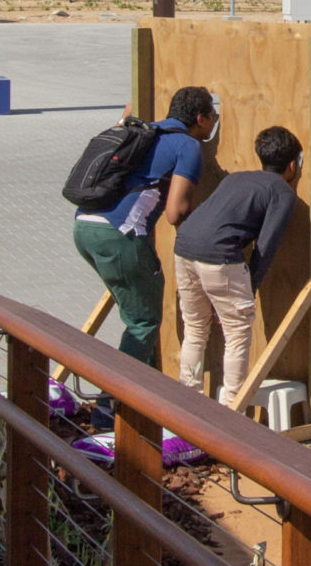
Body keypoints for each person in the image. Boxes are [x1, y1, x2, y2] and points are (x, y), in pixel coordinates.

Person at [73, 86, 217, 428]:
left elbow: (128, 106)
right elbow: (174, 212)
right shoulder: (188, 146)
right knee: (143, 322)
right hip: (119, 235)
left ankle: (150, 400)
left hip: (84, 226)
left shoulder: (144, 129)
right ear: (200, 118)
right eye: (213, 116)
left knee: (142, 313)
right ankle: (112, 408)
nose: (214, 123)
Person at [173, 126, 301, 407]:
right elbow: (265, 247)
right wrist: (250, 287)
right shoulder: (281, 191)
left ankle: (188, 402)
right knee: (237, 333)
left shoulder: (238, 178)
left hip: (184, 249)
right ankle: (232, 412)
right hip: (220, 257)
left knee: (195, 328)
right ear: (293, 165)